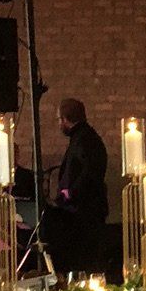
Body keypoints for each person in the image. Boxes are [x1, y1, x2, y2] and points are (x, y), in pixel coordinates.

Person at [44, 97, 108, 275]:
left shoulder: (84, 140)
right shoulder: (84, 137)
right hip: (82, 213)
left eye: (59, 119)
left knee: (84, 263)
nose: (58, 123)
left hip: (83, 215)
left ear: (65, 119)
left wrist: (69, 193)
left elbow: (90, 172)